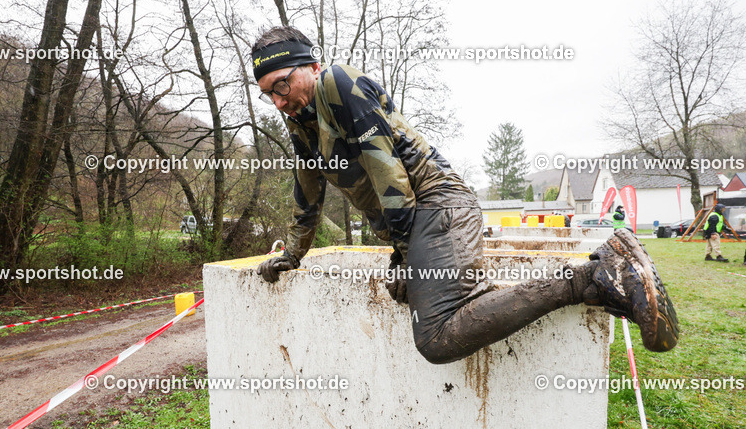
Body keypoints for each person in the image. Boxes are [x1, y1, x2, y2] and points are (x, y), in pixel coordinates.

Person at [251, 26, 679, 361]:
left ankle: (594, 275)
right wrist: (292, 254)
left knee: (436, 338)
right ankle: (600, 282)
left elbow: (391, 177)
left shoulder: (336, 82)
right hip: (421, 221)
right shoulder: (302, 123)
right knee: (448, 316)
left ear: (311, 64)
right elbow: (306, 196)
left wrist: (403, 254)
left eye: (282, 85)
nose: (277, 101)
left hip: (439, 205)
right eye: (267, 93)